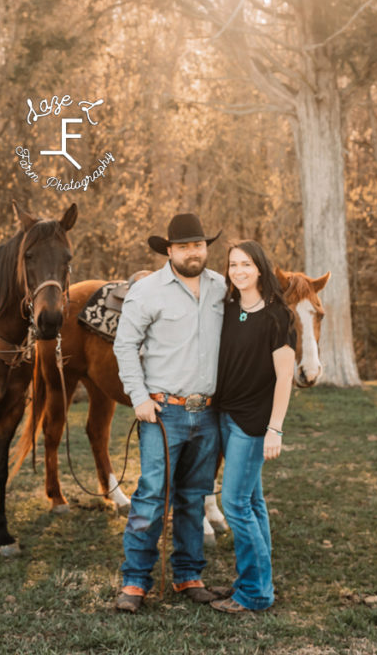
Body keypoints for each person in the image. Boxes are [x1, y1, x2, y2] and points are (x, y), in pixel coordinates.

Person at [112, 212, 229, 613]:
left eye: (198, 244)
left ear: (206, 247)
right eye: (184, 246)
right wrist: (139, 398)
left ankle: (188, 576)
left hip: (209, 412)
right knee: (150, 497)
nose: (193, 252)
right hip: (165, 412)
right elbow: (125, 345)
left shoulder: (221, 288)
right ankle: (134, 582)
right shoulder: (148, 292)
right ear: (170, 250)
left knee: (195, 497)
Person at [210, 239, 296, 614]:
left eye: (246, 264)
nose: (238, 271)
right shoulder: (228, 309)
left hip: (253, 421)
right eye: (232, 265)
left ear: (260, 268)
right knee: (253, 502)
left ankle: (256, 594)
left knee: (234, 504)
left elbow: (284, 377)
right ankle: (257, 581)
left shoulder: (279, 316)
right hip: (224, 415)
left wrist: (275, 428)